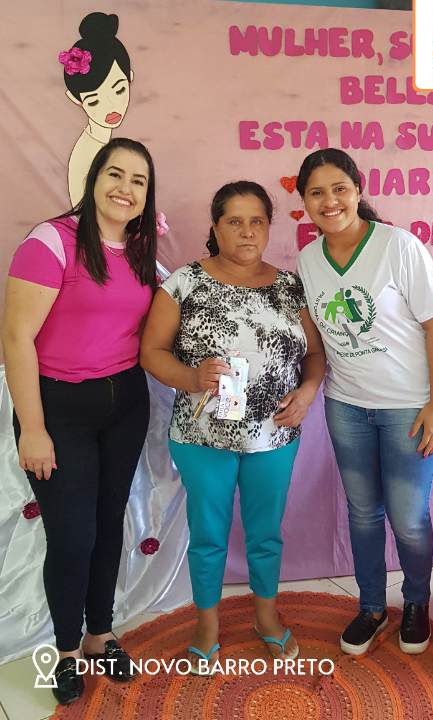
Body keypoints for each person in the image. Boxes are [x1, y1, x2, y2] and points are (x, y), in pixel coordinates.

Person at [140, 181, 326, 675]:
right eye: (235, 221)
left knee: (266, 533)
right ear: (216, 227)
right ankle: (207, 627)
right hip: (202, 438)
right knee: (208, 535)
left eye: (256, 221)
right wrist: (191, 377)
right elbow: (151, 352)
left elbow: (313, 354)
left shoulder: (290, 287)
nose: (247, 231)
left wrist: (308, 392)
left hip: (274, 436)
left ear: (268, 227)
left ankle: (267, 617)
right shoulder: (184, 283)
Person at [2, 138, 158, 704]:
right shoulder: (50, 242)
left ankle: (100, 634)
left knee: (108, 524)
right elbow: (15, 337)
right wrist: (33, 427)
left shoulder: (141, 249)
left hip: (125, 405)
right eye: (115, 174)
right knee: (72, 537)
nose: (125, 188)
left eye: (138, 180)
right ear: (93, 180)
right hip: (58, 411)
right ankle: (67, 650)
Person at [295, 148, 433, 656]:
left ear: (358, 190)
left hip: (409, 406)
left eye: (339, 188)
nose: (330, 201)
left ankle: (417, 603)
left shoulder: (398, 246)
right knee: (363, 513)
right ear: (304, 202)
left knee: (408, 518)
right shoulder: (308, 260)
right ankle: (371, 607)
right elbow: (317, 339)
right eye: (317, 192)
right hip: (347, 406)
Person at [59, 13, 133, 205]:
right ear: (76, 100)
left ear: (130, 79)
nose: (111, 106)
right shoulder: (86, 154)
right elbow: (82, 214)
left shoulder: (109, 144)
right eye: (94, 101)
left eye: (119, 90)